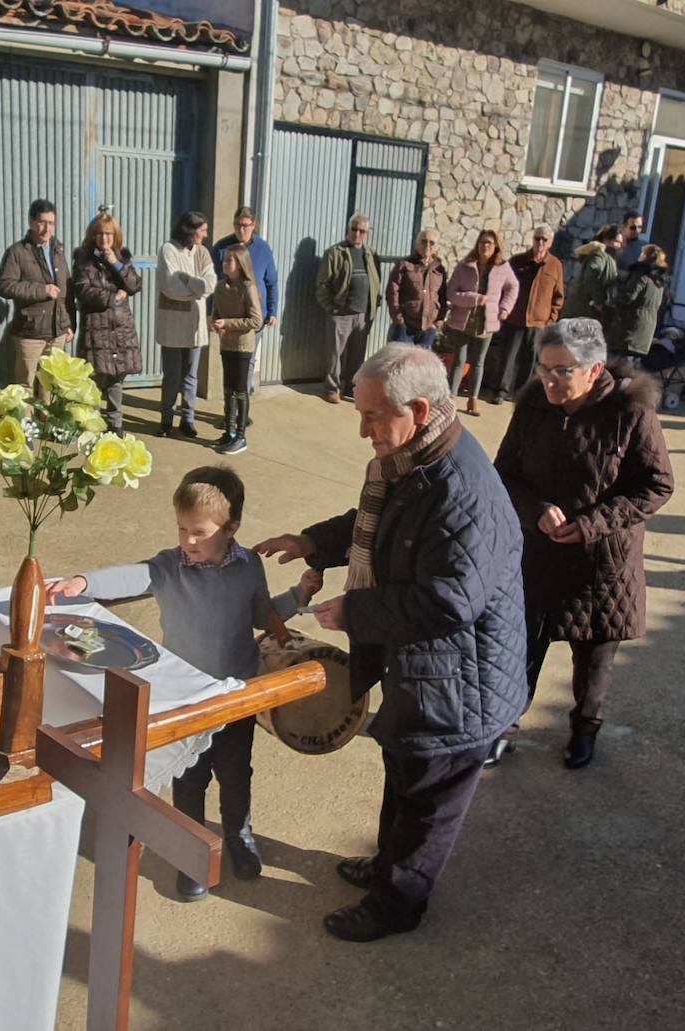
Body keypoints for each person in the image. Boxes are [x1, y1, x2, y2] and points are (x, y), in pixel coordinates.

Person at [256, 345, 527, 943]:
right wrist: (314, 543)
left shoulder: (460, 490)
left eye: (374, 417)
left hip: (462, 683)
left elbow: (448, 602)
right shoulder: (415, 460)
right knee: (403, 766)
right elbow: (380, 527)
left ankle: (399, 900)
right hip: (425, 669)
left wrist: (354, 609)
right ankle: (386, 865)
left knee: (429, 795)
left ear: (420, 408)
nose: (362, 431)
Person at [49, 465, 316, 901]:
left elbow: (260, 615)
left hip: (233, 694)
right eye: (181, 529)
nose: (187, 540)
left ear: (230, 528)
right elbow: (133, 575)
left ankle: (238, 835)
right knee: (190, 778)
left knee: (235, 772)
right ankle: (191, 851)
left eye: (198, 531)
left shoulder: (248, 566)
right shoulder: (170, 567)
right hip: (186, 699)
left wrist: (299, 597)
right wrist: (85, 582)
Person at [491, 318, 674, 770]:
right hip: (538, 554)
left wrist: (593, 523)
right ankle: (503, 728)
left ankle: (584, 729)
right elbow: (505, 474)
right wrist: (535, 510)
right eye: (543, 368)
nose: (549, 380)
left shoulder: (629, 411)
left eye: (562, 371)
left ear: (593, 371)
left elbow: (656, 485)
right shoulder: (534, 405)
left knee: (593, 660)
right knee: (521, 649)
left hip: (601, 565)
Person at [71, 208, 141, 435]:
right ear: (93, 235)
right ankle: (91, 424)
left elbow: (134, 286)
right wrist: (112, 297)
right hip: (96, 329)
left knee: (116, 380)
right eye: (100, 234)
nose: (104, 238)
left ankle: (115, 425)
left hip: (120, 329)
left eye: (109, 234)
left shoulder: (122, 258)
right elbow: (83, 290)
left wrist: (116, 264)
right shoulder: (83, 260)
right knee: (93, 379)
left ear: (115, 236)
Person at [0, 198, 74, 396]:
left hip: (56, 332)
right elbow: (5, 286)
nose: (46, 228)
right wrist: (42, 290)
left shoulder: (58, 252)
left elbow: (66, 292)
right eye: (42, 222)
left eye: (51, 223)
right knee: (25, 386)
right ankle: (26, 427)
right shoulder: (17, 252)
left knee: (49, 385)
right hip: (30, 332)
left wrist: (68, 323)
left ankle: (46, 426)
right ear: (31, 222)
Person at [439, 228, 518, 416]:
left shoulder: (502, 268)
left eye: (489, 243)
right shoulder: (465, 266)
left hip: (486, 322)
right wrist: (474, 298)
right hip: (463, 321)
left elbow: (513, 287)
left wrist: (505, 308)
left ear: (496, 246)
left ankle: (473, 399)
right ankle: (450, 397)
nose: (485, 246)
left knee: (478, 362)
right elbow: (451, 293)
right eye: (482, 242)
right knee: (458, 360)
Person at [488, 225, 565, 403]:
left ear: (550, 243)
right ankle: (501, 391)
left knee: (530, 362)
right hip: (515, 319)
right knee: (508, 357)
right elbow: (503, 286)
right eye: (537, 238)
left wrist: (550, 319)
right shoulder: (518, 261)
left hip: (539, 322)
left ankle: (521, 394)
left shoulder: (555, 266)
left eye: (544, 240)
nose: (540, 242)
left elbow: (558, 296)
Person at [156, 210, 216, 438]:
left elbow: (210, 285)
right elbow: (170, 286)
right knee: (172, 375)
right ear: (190, 230)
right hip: (172, 324)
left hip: (194, 325)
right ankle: (166, 419)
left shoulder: (203, 253)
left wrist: (189, 281)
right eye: (203, 229)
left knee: (191, 376)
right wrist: (196, 291)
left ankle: (188, 419)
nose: (206, 234)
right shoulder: (168, 250)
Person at [212, 206, 278, 399]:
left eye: (245, 226)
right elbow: (213, 283)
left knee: (247, 364)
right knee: (230, 365)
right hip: (228, 318)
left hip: (254, 317)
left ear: (253, 225)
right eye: (237, 225)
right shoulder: (222, 248)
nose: (241, 230)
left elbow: (272, 282)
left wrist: (272, 311)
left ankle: (242, 409)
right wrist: (212, 314)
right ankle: (230, 411)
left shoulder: (263, 249)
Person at [315, 214, 381, 404]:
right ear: (348, 229)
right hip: (341, 314)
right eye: (354, 229)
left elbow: (376, 281)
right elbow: (322, 285)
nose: (357, 234)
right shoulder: (335, 253)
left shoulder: (370, 254)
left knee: (357, 355)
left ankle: (352, 388)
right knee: (334, 354)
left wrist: (374, 306)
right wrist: (331, 308)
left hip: (363, 314)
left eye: (362, 231)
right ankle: (331, 388)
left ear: (366, 234)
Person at [210, 245, 263, 454]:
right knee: (228, 391)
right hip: (227, 345)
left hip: (243, 346)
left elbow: (256, 320)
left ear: (240, 265)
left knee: (241, 391)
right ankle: (229, 432)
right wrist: (215, 323)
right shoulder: (220, 286)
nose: (225, 264)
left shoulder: (248, 288)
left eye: (230, 261)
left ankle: (241, 436)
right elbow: (216, 313)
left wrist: (228, 324)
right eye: (224, 260)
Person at [604, 244, 668, 363]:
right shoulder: (659, 282)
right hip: (644, 334)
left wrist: (612, 291)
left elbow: (626, 297)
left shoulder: (641, 275)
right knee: (630, 370)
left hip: (628, 331)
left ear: (645, 256)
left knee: (616, 368)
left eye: (642, 253)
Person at [384, 229, 447, 349]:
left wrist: (437, 323)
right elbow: (392, 293)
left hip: (428, 329)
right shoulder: (404, 265)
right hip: (405, 327)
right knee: (400, 364)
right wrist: (399, 320)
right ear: (416, 243)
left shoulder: (439, 270)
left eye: (431, 243)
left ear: (437, 247)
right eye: (424, 241)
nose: (427, 245)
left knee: (421, 367)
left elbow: (443, 298)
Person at [559, 224, 620, 320]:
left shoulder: (607, 258)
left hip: (583, 312)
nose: (620, 246)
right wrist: (598, 301)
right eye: (617, 242)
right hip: (583, 312)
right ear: (607, 241)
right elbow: (591, 275)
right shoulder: (600, 255)